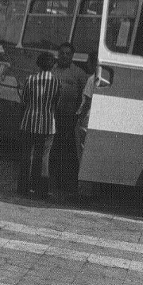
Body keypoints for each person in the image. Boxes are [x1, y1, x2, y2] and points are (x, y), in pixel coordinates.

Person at [18, 52, 60, 198]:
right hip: (48, 124)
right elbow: (56, 103)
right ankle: (41, 190)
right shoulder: (56, 82)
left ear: (38, 64)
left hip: (29, 121)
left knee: (27, 155)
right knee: (43, 157)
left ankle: (23, 188)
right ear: (53, 65)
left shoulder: (30, 79)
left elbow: (24, 101)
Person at [50, 42, 88, 199]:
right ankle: (52, 181)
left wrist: (78, 115)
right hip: (53, 116)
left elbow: (85, 96)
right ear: (58, 54)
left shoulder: (78, 73)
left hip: (70, 118)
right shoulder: (52, 70)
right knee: (53, 149)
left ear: (72, 56)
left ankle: (67, 183)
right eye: (62, 53)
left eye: (67, 53)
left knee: (68, 152)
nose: (64, 56)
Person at [75, 52, 99, 170]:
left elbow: (87, 101)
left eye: (89, 61)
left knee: (81, 152)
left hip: (86, 120)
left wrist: (80, 118)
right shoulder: (101, 79)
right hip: (94, 119)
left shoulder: (91, 79)